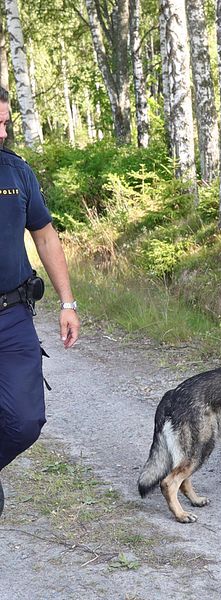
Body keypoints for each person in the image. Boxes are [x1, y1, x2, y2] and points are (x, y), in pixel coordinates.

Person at [0, 86, 80, 517]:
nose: (3, 130)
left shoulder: (16, 173)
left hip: (11, 315)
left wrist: (68, 303)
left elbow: (45, 234)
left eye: (6, 122)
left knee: (26, 420)